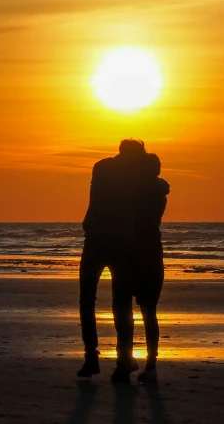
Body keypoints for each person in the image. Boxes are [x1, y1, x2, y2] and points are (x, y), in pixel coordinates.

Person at [77, 139, 149, 382]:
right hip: (120, 242)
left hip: (95, 238)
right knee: (121, 304)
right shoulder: (135, 175)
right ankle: (122, 361)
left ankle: (92, 358)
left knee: (87, 300)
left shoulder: (102, 167)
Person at [133, 153, 170, 383]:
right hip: (153, 250)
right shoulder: (159, 190)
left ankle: (141, 359)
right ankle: (150, 360)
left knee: (139, 309)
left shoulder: (140, 191)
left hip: (138, 250)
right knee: (149, 311)